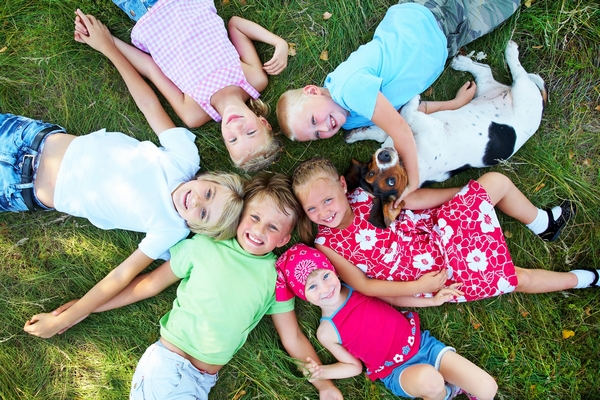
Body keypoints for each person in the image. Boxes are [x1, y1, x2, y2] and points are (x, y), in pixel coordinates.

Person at [20, 11, 245, 339]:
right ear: (209, 178)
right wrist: (108, 46)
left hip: (22, 188)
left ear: (196, 228)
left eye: (203, 214)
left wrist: (64, 320)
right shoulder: (184, 158)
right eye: (209, 193)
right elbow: (148, 104)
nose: (196, 200)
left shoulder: (170, 229)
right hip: (35, 139)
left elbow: (122, 275)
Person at [52, 172, 343, 400]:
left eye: (272, 227)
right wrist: (83, 309)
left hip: (202, 381)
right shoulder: (205, 245)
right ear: (240, 216)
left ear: (283, 240)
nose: (258, 230)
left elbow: (292, 338)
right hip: (169, 366)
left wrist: (324, 387)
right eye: (254, 218)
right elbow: (149, 284)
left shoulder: (275, 278)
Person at [277, 0, 521, 199]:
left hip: (431, 17)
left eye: (313, 120)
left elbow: (402, 130)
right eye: (317, 134)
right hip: (447, 40)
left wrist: (412, 183)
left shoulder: (348, 88)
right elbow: (406, 111)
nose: (323, 128)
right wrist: (453, 105)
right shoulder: (350, 120)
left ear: (312, 91)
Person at [291, 157, 599, 305]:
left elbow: (413, 200)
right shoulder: (326, 243)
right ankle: (585, 279)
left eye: (327, 200)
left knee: (495, 182)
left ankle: (543, 224)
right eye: (312, 209)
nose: (324, 213)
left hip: (435, 228)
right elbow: (367, 285)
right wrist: (419, 287)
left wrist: (466, 196)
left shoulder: (364, 194)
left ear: (342, 186)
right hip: (431, 273)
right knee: (517, 277)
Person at [85, 0, 289, 171]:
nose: (236, 128)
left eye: (233, 140)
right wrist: (279, 43)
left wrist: (108, 42)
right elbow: (236, 25)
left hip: (145, 10)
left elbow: (150, 68)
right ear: (264, 122)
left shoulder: (195, 113)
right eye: (250, 132)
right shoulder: (253, 80)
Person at [277, 243, 497, 400]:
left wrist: (433, 301)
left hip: (423, 346)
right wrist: (322, 372)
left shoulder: (358, 289)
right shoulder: (326, 331)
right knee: (431, 381)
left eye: (325, 276)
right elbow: (353, 367)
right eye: (312, 287)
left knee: (488, 389)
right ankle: (447, 393)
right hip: (396, 371)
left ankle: (450, 386)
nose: (324, 288)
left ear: (332, 270)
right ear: (303, 295)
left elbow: (393, 298)